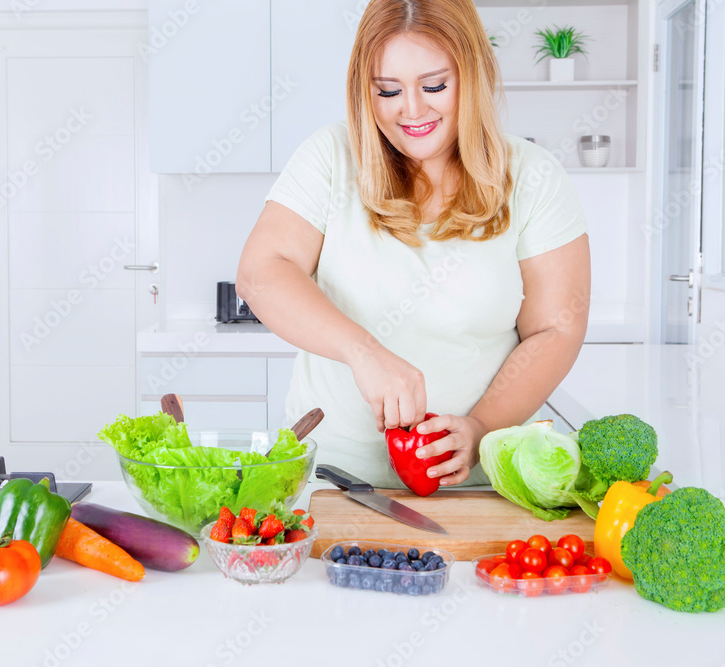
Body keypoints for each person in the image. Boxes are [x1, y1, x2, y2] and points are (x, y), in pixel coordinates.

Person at [236, 0, 590, 489]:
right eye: (388, 90)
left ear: (472, 75)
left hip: (476, 485)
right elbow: (261, 272)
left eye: (435, 86)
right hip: (332, 483)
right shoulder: (330, 156)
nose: (413, 110)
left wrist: (482, 427)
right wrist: (363, 351)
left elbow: (554, 329)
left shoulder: (533, 176)